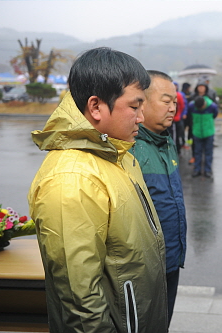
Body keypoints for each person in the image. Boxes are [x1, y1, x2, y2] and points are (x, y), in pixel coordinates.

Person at [28, 47, 169, 332]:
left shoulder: (117, 153)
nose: (141, 117)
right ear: (95, 107)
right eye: (134, 106)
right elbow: (80, 303)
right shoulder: (72, 178)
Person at [132, 70, 187, 326]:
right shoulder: (129, 148)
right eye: (166, 101)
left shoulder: (166, 141)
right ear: (142, 101)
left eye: (175, 102)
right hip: (144, 268)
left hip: (171, 259)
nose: (173, 107)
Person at [188, 95, 218, 177]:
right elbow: (189, 116)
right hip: (197, 132)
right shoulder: (191, 106)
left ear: (204, 103)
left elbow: (215, 115)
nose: (200, 109)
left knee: (208, 153)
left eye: (202, 107)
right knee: (197, 152)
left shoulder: (212, 106)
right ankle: (197, 169)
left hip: (209, 133)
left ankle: (208, 170)